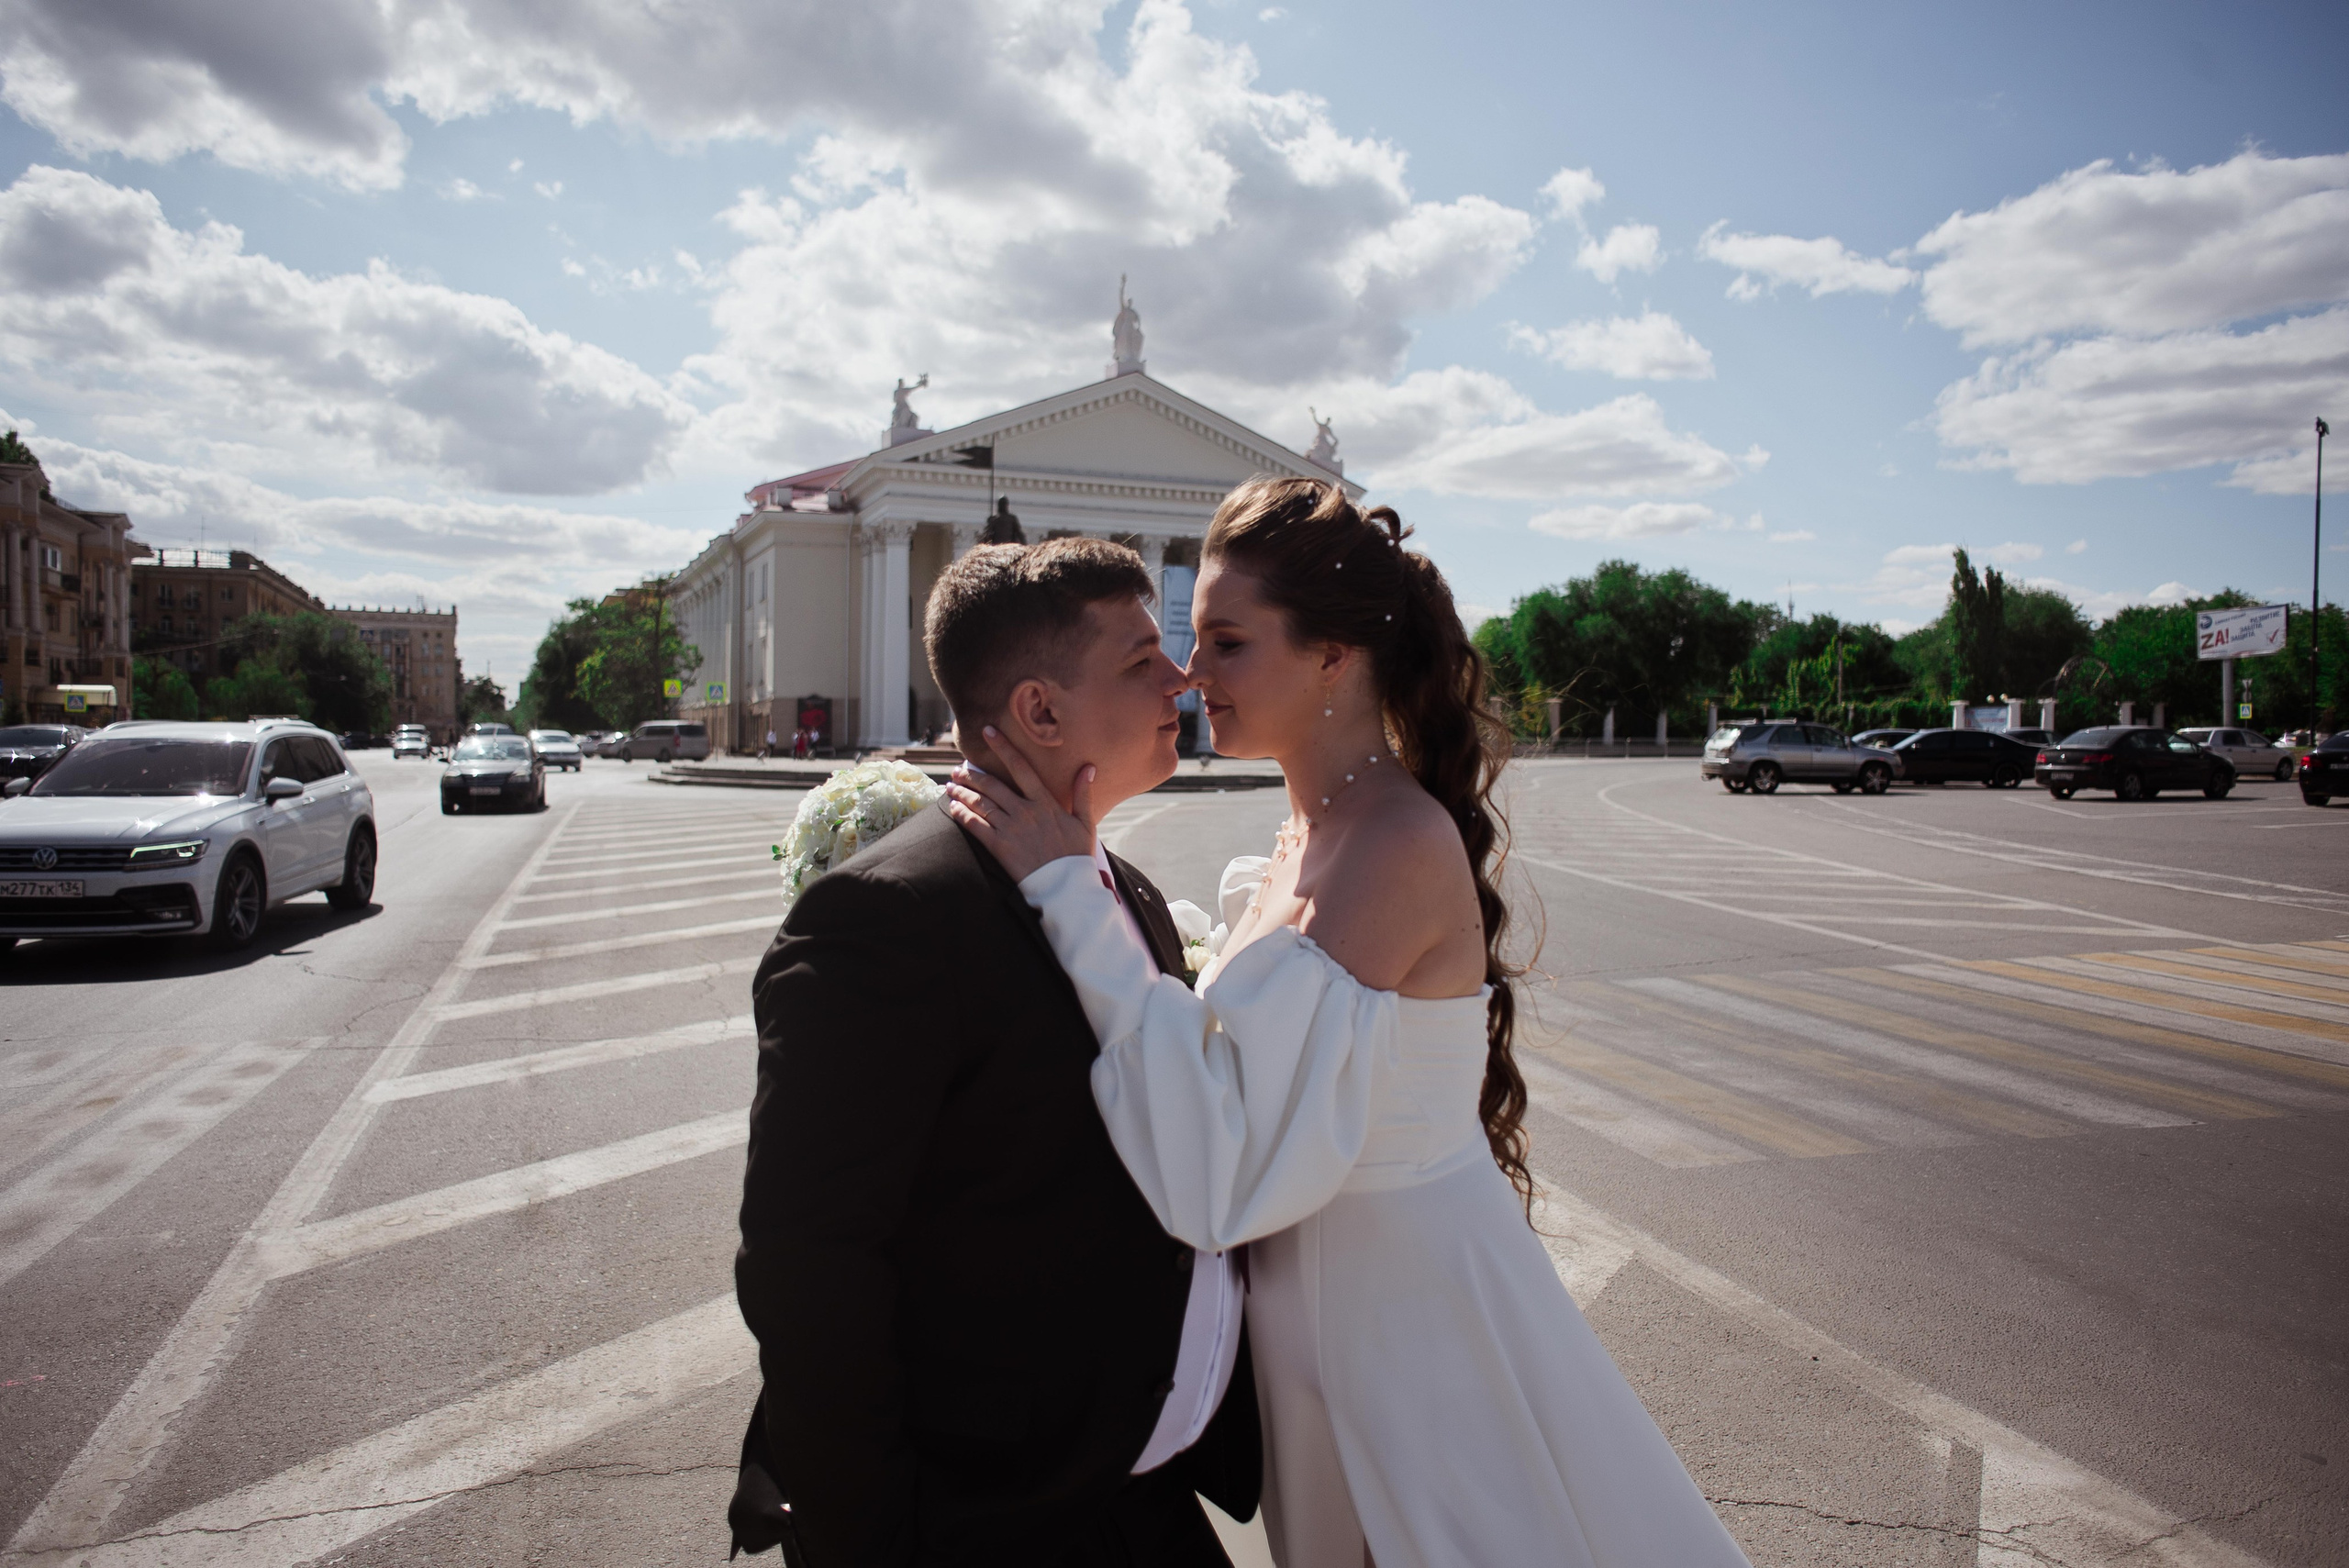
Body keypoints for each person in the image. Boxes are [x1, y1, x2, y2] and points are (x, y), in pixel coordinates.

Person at [946, 477, 1752, 1568]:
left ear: (1331, 656)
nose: (1189, 674)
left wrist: (1067, 898)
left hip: (1402, 1317)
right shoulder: (1308, 827)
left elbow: (1218, 1172)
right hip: (1320, 1308)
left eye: (1226, 642)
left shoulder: (1391, 844)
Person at [732, 537, 1261, 1566]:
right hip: (981, 1514)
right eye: (1141, 658)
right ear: (1039, 711)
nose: (1182, 676)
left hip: (1123, 1488)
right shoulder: (888, 915)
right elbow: (809, 1265)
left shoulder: (1129, 888)